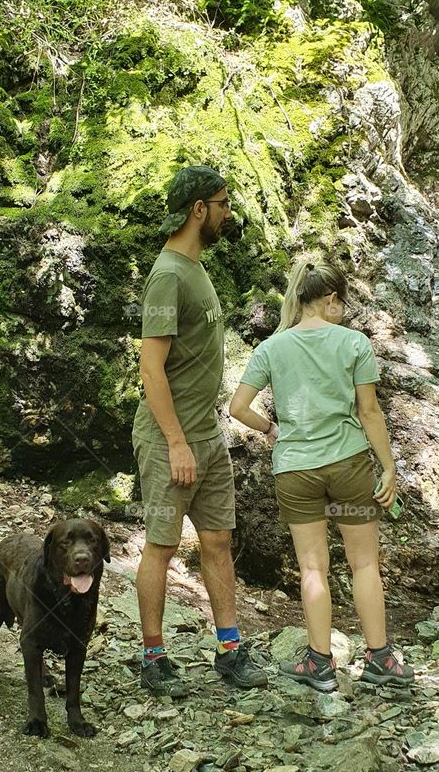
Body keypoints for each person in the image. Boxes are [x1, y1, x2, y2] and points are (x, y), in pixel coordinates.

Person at [229, 255, 414, 692]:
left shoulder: (272, 347)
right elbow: (368, 411)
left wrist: (272, 429)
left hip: (296, 470)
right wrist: (388, 467)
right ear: (331, 299)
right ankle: (381, 659)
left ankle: (319, 664)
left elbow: (237, 408)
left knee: (313, 569)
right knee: (365, 562)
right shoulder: (354, 344)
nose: (343, 312)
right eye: (341, 303)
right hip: (349, 465)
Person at [132, 165, 268, 697]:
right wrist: (176, 441)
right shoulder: (167, 276)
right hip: (173, 441)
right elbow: (150, 370)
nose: (228, 213)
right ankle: (153, 656)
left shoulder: (195, 268)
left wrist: (199, 436)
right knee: (161, 546)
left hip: (206, 437)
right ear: (198, 210)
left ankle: (230, 650)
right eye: (223, 203)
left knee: (218, 540)